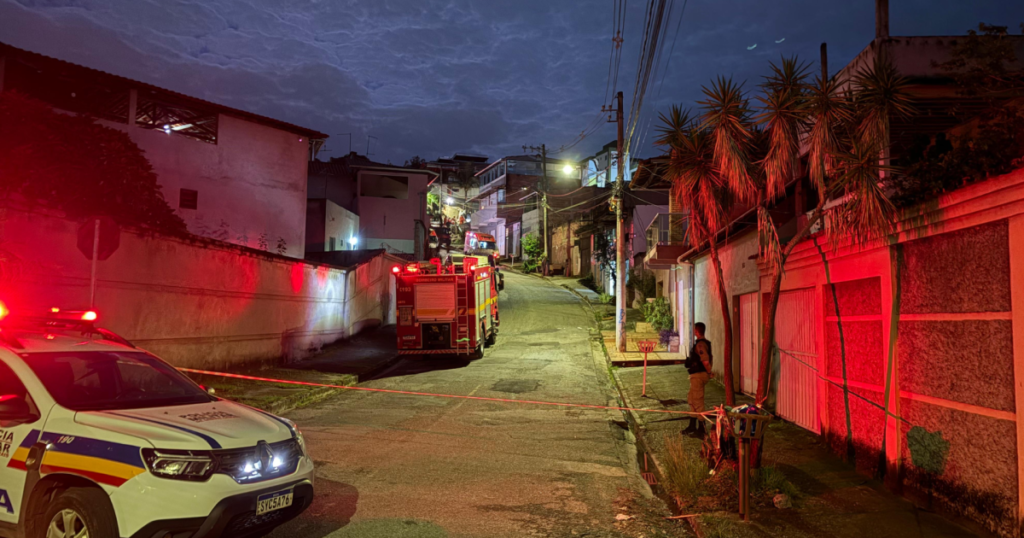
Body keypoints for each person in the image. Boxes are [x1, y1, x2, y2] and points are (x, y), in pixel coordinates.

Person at [681, 322, 713, 437]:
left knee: (698, 401)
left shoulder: (700, 344)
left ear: (697, 331)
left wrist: (709, 372)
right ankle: (692, 425)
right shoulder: (702, 343)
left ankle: (702, 429)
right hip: (697, 375)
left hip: (699, 375)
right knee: (692, 399)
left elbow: (704, 359)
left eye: (694, 330)